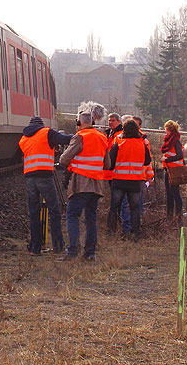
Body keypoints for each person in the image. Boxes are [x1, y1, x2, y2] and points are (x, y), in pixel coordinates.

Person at [57, 106, 110, 261]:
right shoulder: (102, 137)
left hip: (81, 183)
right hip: (97, 184)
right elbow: (107, 164)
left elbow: (63, 160)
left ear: (78, 123)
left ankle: (72, 251)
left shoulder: (80, 137)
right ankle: (90, 253)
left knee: (72, 215)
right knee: (91, 218)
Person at [19, 116, 73, 255]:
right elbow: (65, 139)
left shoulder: (23, 139)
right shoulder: (46, 132)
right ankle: (58, 246)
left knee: (34, 212)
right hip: (44, 175)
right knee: (54, 210)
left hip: (30, 177)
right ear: (41, 125)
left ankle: (36, 247)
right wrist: (79, 134)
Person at [105, 119, 151, 240]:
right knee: (134, 208)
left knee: (114, 207)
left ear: (124, 130)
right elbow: (147, 161)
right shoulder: (142, 144)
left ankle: (111, 231)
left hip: (119, 180)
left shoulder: (119, 143)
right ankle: (135, 232)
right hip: (135, 181)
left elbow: (111, 162)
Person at [161, 120, 185, 224]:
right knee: (169, 194)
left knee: (175, 194)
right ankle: (170, 216)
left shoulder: (175, 141)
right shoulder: (169, 140)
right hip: (168, 169)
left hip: (174, 171)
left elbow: (180, 155)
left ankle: (178, 216)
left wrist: (166, 160)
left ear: (169, 129)